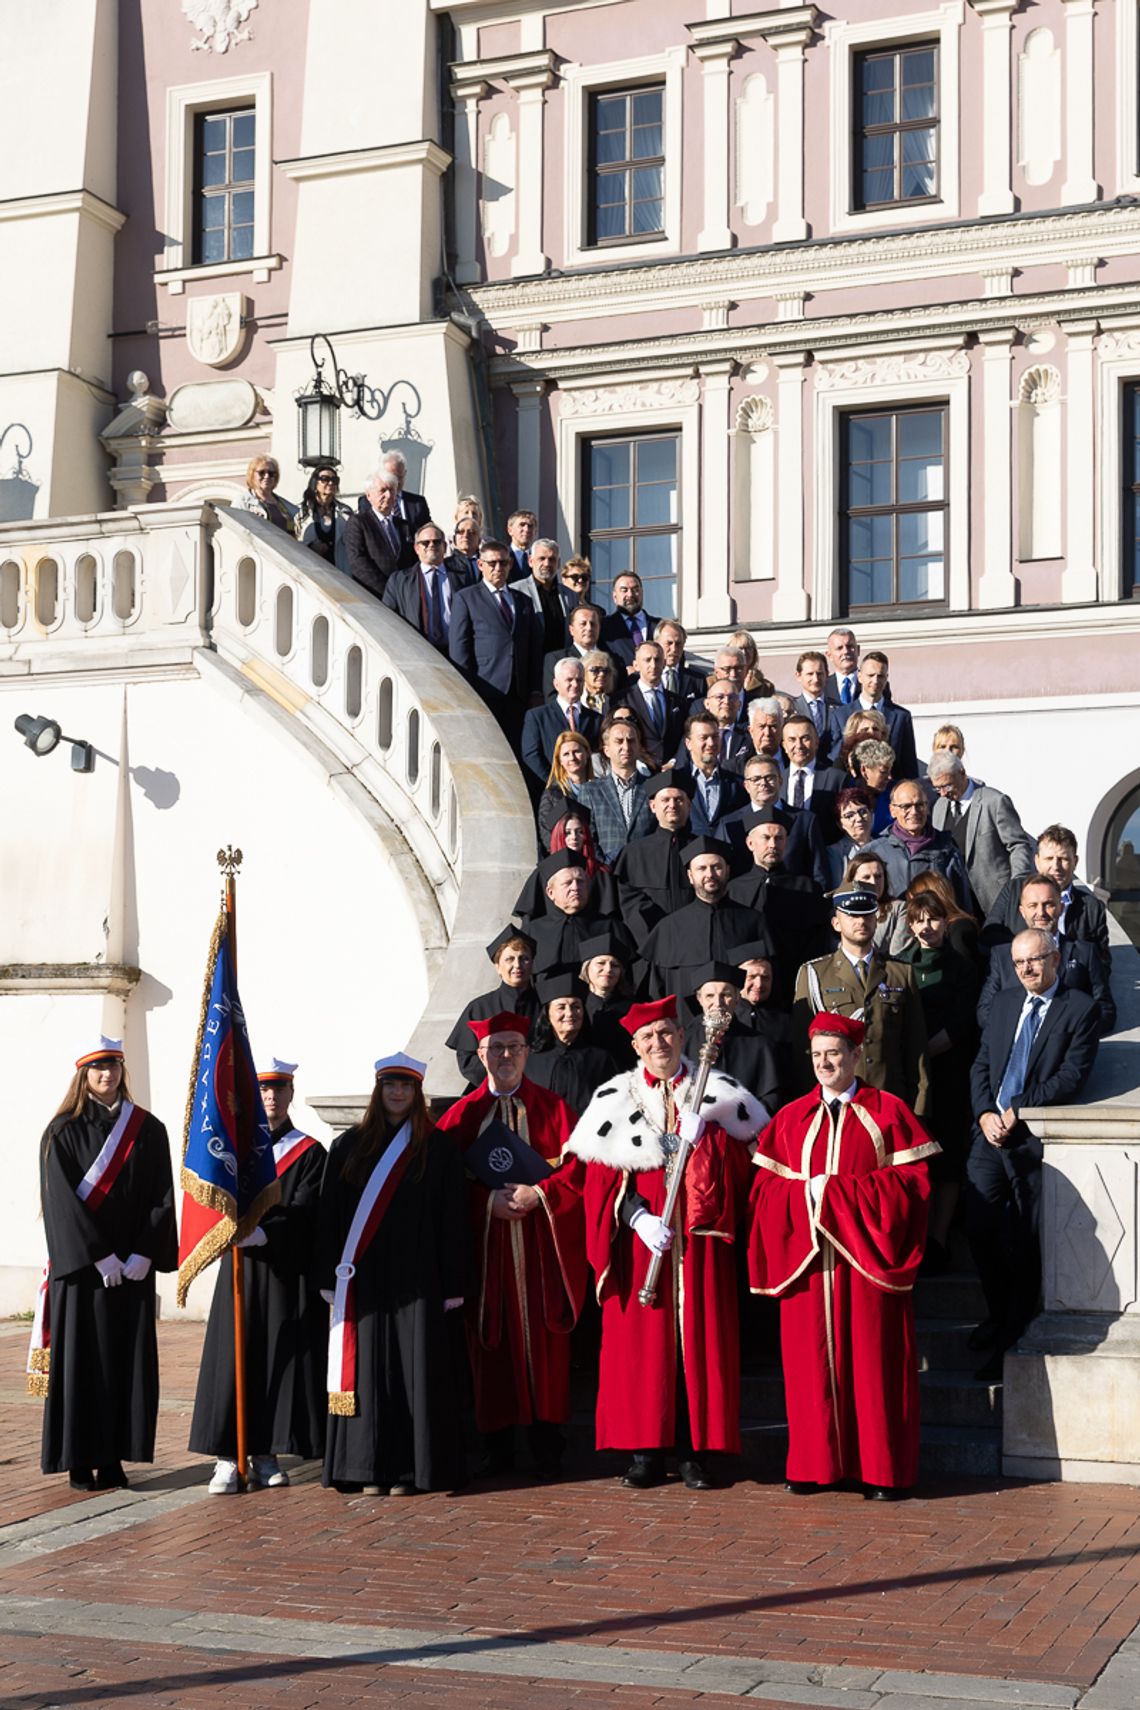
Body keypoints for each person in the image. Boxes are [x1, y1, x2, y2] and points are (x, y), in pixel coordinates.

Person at [518, 996, 768, 1489]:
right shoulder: (615, 1097)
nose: (659, 1043)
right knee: (642, 1348)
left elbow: (752, 1172)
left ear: (682, 1036)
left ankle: (696, 1451)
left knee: (697, 1345)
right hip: (641, 1245)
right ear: (635, 1045)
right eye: (648, 1037)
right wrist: (635, 1218)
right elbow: (597, 1179)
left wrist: (711, 1138)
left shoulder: (717, 1093)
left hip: (699, 1244)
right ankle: (646, 1451)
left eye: (667, 1033)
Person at [747, 1013, 939, 1499]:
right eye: (817, 1056)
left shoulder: (889, 1111)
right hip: (809, 1265)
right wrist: (801, 1198)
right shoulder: (790, 1118)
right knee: (809, 1366)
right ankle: (815, 1465)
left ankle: (881, 1470)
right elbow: (765, 1191)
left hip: (866, 1264)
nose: (825, 1063)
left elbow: (911, 1188)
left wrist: (830, 1195)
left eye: (834, 1053)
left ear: (856, 1056)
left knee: (874, 1366)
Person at [436, 1014, 584, 1479]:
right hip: (489, 1251)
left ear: (527, 1052)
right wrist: (485, 1204)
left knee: (545, 1343)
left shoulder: (556, 1110)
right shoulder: (460, 1118)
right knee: (490, 1341)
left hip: (543, 1245)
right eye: (496, 1048)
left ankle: (548, 1442)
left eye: (514, 1047)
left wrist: (539, 1194)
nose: (505, 1056)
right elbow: (441, 1190)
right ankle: (496, 1444)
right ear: (480, 1055)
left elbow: (580, 1170)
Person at [315, 1053, 467, 1495]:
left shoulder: (437, 1149)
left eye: (406, 1087)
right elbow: (330, 1215)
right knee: (364, 1374)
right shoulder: (348, 1146)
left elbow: (451, 1220)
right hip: (361, 1279)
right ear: (377, 1091)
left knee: (411, 1373)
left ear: (417, 1094)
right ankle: (365, 1469)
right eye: (390, 1086)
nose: (397, 1093)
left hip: (418, 1280)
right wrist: (329, 1275)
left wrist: (453, 1283)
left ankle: (407, 1471)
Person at [37, 1038, 177, 1491]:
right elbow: (59, 1203)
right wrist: (98, 1255)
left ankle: (116, 1456)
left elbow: (161, 1196)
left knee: (125, 1363)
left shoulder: (149, 1130)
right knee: (82, 1364)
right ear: (83, 1074)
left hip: (132, 1271)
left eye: (114, 1065)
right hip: (84, 1273)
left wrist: (144, 1253)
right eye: (98, 1068)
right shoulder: (62, 1131)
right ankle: (79, 1458)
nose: (107, 1075)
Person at [966, 930, 1101, 1380]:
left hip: (1032, 1142)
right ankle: (998, 1313)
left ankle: (1014, 1333)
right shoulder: (1005, 1003)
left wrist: (1017, 1110)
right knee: (980, 1227)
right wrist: (986, 1112)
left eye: (1035, 961)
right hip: (989, 1137)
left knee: (1024, 1241)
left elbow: (1071, 1077)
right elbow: (983, 1063)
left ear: (1056, 959)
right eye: (1020, 963)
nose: (1026, 969)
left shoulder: (1080, 1009)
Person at [189, 1059, 327, 1493]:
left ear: (290, 1094)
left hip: (282, 1271)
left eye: (279, 1090)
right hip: (239, 1269)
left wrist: (267, 1233)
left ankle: (265, 1451)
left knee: (274, 1358)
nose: (271, 1098)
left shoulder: (310, 1152)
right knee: (233, 1358)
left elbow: (309, 1211)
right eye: (264, 1091)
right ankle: (228, 1455)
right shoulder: (230, 1150)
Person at [896, 893, 981, 1274]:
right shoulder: (901, 967)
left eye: (933, 919)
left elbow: (962, 1022)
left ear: (946, 923)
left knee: (947, 1158)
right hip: (911, 1077)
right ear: (910, 925)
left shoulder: (961, 967)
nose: (926, 927)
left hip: (947, 1072)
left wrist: (924, 1052)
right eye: (919, 920)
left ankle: (939, 1238)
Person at [792, 888, 930, 1114]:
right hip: (835, 1104)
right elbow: (803, 1050)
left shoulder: (900, 973)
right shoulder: (814, 974)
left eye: (867, 915)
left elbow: (916, 1047)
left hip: (889, 1100)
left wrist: (920, 1108)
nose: (861, 921)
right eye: (852, 916)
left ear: (876, 920)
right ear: (836, 923)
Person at [977, 875, 1116, 1037]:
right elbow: (984, 1012)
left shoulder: (1085, 953)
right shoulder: (1002, 956)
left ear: (1061, 907)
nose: (1040, 913)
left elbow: (1106, 1010)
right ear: (1022, 911)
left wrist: (1064, 1034)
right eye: (1033, 905)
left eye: (1048, 904)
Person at [640, 837, 771, 1000]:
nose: (710, 874)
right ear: (690, 875)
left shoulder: (753, 922)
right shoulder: (668, 927)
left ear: (728, 870)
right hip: (684, 1022)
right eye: (702, 868)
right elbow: (656, 990)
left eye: (716, 867)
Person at [727, 808, 831, 1004]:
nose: (773, 844)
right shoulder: (733, 890)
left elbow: (818, 942)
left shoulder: (807, 888)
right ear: (750, 843)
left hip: (793, 987)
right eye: (766, 838)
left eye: (779, 838)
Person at [448, 537, 543, 749]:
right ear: (481, 565)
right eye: (492, 563)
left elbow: (534, 650)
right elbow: (459, 649)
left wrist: (535, 690)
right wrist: (467, 691)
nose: (498, 568)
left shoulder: (523, 601)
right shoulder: (466, 598)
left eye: (503, 562)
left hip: (519, 693)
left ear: (510, 564)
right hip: (485, 690)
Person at [982, 824, 1112, 978]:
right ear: (1037, 861)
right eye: (1049, 858)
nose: (1055, 866)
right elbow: (989, 936)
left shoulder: (1091, 907)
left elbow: (1101, 961)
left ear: (1075, 862)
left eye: (1063, 859)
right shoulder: (1014, 890)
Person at [927, 751, 1035, 918]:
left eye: (946, 785)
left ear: (961, 773)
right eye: (937, 788)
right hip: (957, 905)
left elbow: (1018, 845)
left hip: (996, 900)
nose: (942, 793)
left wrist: (1016, 885)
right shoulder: (940, 807)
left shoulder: (994, 801)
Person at [611, 768, 696, 945]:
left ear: (689, 806)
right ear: (653, 806)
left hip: (695, 943)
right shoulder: (633, 853)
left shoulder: (703, 851)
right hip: (651, 946)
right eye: (665, 800)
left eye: (679, 799)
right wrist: (661, 933)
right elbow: (629, 902)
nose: (672, 805)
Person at [682, 962, 782, 1111]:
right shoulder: (683, 1042)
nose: (718, 1003)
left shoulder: (761, 1046)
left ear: (737, 999)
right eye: (710, 996)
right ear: (699, 1000)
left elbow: (770, 1101)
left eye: (726, 995)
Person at [446, 927, 540, 1085]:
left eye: (524, 958)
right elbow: (467, 1060)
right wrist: (503, 1079)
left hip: (538, 1089)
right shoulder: (479, 1008)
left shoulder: (546, 1005)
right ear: (498, 967)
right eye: (509, 959)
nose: (517, 965)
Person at [866, 779, 971, 911]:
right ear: (892, 810)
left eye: (920, 805)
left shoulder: (946, 849)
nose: (914, 812)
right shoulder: (874, 851)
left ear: (927, 807)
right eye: (906, 806)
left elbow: (962, 903)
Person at [525, 972, 618, 1116]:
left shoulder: (600, 1059)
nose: (570, 1013)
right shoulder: (530, 1060)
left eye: (576, 1007)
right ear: (548, 1015)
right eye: (561, 1007)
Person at [382, 521, 475, 650]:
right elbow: (388, 620)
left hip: (457, 651)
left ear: (445, 546)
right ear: (416, 548)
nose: (431, 545)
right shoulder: (399, 581)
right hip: (419, 653)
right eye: (425, 542)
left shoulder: (463, 576)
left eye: (436, 542)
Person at [827, 651, 917, 778]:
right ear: (859, 676)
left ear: (886, 678)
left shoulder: (901, 716)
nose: (875, 681)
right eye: (870, 675)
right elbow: (836, 760)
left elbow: (909, 764)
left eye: (880, 676)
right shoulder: (841, 715)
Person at [578, 715, 653, 863]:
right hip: (606, 875)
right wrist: (605, 869)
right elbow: (587, 836)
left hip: (645, 872)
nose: (626, 747)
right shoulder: (590, 791)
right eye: (619, 741)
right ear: (606, 750)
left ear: (639, 748)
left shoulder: (653, 788)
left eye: (631, 741)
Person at [526, 850, 614, 972]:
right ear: (550, 892)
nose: (575, 888)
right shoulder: (533, 931)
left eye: (580, 881)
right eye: (567, 883)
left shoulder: (609, 926)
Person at [521, 658, 601, 786]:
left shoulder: (596, 719)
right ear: (556, 684)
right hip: (553, 792)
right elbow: (531, 755)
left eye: (579, 680)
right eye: (569, 680)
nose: (575, 684)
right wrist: (557, 783)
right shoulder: (537, 716)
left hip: (588, 791)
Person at [676, 712, 748, 839]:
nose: (711, 743)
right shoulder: (676, 782)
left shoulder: (737, 784)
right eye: (703, 737)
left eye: (715, 737)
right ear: (688, 743)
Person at [620, 640, 685, 766]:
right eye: (647, 660)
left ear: (664, 663)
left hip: (672, 771)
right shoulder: (622, 700)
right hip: (637, 769)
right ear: (636, 665)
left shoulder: (678, 701)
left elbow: (685, 735)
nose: (653, 665)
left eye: (657, 660)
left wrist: (674, 761)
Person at [511, 538, 576, 654]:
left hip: (561, 664)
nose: (547, 564)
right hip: (529, 663)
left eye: (552, 559)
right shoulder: (515, 591)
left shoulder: (570, 595)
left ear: (559, 563)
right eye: (542, 558)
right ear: (530, 561)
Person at [345, 470, 403, 597]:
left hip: (404, 596)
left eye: (392, 490)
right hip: (374, 595)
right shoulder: (358, 523)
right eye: (383, 490)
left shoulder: (404, 526)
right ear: (369, 496)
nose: (388, 495)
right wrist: (387, 591)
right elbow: (357, 561)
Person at [780, 715, 847, 824]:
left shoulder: (838, 779)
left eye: (805, 738)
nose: (799, 745)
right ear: (784, 746)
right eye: (792, 740)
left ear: (816, 742)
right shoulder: (777, 780)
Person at [538, 729, 594, 852]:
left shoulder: (601, 789)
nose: (572, 758)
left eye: (576, 751)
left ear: (587, 753)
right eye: (566, 754)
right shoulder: (552, 794)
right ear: (560, 761)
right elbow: (546, 832)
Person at [599, 571, 663, 666]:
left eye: (635, 590)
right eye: (624, 590)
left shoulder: (660, 626)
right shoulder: (603, 627)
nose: (630, 595)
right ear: (615, 596)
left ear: (642, 592)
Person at [293, 466, 351, 570]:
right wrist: (310, 547)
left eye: (334, 480)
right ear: (315, 483)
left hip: (339, 570)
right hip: (311, 569)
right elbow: (293, 542)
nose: (330, 483)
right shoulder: (300, 512)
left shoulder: (346, 512)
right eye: (324, 479)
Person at [379, 449, 431, 556]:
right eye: (392, 476)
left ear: (405, 473)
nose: (396, 481)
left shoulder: (418, 503)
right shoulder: (370, 501)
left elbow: (427, 532)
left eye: (399, 477)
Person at [792, 650, 837, 764]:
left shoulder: (839, 708)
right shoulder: (791, 708)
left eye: (820, 673)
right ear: (798, 676)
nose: (816, 679)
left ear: (827, 674)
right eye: (810, 674)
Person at [828, 785, 879, 885]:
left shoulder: (885, 847)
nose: (859, 819)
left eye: (863, 811)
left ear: (872, 813)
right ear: (840, 824)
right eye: (850, 816)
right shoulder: (834, 853)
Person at [236, 456, 296, 533]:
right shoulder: (243, 502)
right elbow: (235, 529)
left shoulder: (285, 505)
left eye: (271, 473)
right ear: (252, 475)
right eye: (261, 472)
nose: (267, 476)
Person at [654, 618, 708, 704]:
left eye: (678, 644)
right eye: (669, 643)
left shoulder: (698, 680)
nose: (674, 649)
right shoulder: (643, 678)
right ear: (657, 644)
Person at [824, 627, 861, 706]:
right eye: (839, 648)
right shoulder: (823, 686)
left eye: (850, 646)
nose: (846, 651)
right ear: (829, 655)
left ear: (858, 650)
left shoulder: (872, 681)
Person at [445, 509, 482, 581]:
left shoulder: (488, 563)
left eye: (471, 532)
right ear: (454, 539)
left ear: (479, 540)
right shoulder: (446, 565)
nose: (465, 535)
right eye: (460, 532)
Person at [505, 508, 537, 579]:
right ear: (510, 530)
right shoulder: (503, 556)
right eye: (522, 525)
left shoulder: (538, 558)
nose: (526, 529)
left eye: (530, 526)